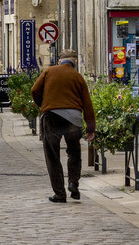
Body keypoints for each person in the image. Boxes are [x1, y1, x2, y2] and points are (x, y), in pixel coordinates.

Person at [30, 50, 96, 203]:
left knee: (52, 154)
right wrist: (90, 128)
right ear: (75, 62)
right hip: (73, 118)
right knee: (74, 152)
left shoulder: (48, 72)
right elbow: (87, 104)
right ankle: (73, 182)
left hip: (51, 116)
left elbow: (34, 90)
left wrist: (44, 105)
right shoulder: (78, 77)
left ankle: (59, 193)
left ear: (60, 61)